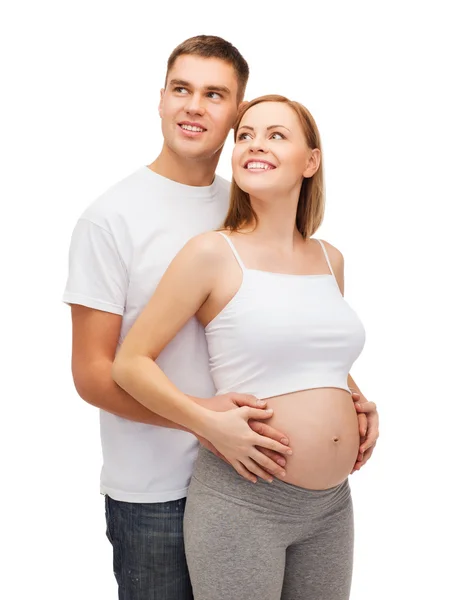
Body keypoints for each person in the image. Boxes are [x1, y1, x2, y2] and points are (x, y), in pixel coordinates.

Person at [64, 33, 378, 599]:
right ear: (160, 99)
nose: (193, 106)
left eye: (214, 94)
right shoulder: (111, 218)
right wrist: (205, 424)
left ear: (236, 112)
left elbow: (284, 327)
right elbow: (96, 372)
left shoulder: (252, 198)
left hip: (281, 480)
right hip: (160, 488)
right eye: (181, 89)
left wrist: (349, 396)